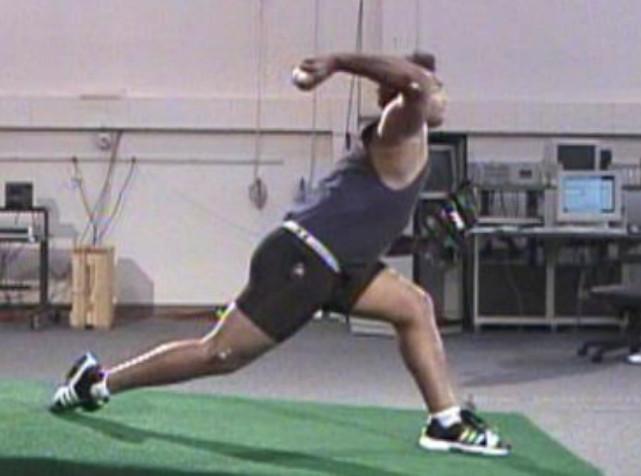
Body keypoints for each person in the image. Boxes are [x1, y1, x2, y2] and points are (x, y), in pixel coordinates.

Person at [51, 51, 510, 456]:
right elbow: (417, 86)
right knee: (219, 355)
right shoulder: (400, 123)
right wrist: (337, 62)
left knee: (414, 307)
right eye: (435, 86)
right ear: (401, 89)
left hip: (338, 266)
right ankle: (98, 382)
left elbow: (361, 230)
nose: (441, 95)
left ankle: (445, 421)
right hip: (302, 260)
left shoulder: (411, 140)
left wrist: (426, 239)